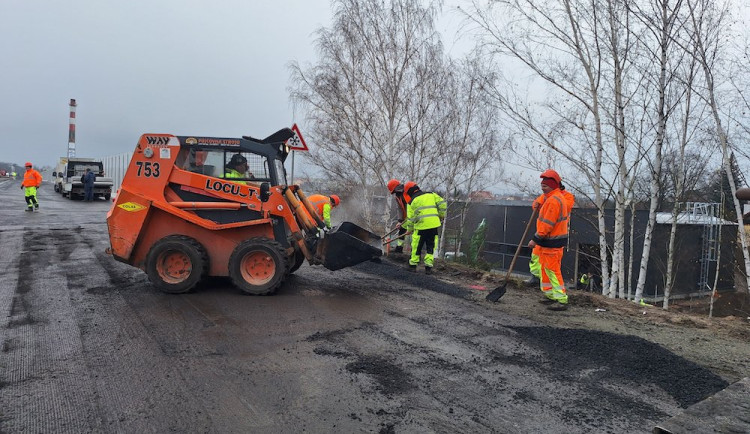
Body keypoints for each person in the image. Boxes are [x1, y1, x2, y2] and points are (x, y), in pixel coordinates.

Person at [528, 169, 572, 311]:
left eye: (545, 185)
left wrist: (535, 239)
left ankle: (561, 299)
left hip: (552, 242)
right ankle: (551, 295)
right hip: (548, 242)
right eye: (542, 184)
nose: (542, 186)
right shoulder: (550, 197)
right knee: (546, 269)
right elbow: (537, 203)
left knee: (552, 270)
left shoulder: (554, 200)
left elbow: (547, 224)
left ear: (553, 185)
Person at [527, 182, 575, 287]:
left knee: (551, 265)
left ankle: (551, 287)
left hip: (555, 234)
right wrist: (537, 204)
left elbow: (564, 207)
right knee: (535, 256)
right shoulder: (547, 195)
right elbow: (536, 204)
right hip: (542, 233)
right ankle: (535, 278)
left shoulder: (566, 196)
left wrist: (551, 202)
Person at [402, 182, 446, 274]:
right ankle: (428, 268)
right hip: (433, 225)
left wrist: (409, 229)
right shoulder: (431, 195)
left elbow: (410, 219)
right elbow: (443, 204)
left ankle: (413, 266)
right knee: (431, 246)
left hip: (421, 227)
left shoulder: (411, 202)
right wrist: (441, 215)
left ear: (409, 192)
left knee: (416, 246)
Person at [387, 179, 409, 253]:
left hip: (413, 216)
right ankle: (399, 248)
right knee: (402, 230)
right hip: (406, 218)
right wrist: (400, 221)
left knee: (416, 234)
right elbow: (399, 208)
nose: (394, 193)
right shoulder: (397, 197)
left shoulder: (407, 192)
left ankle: (415, 253)